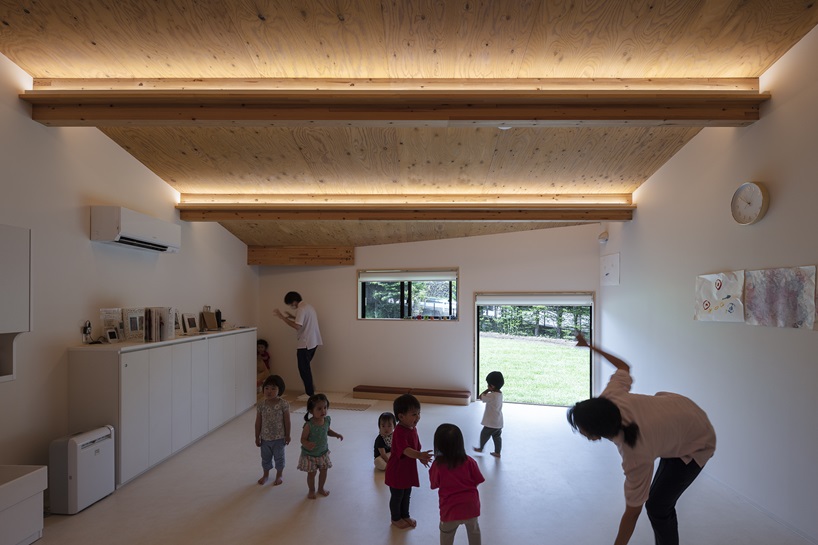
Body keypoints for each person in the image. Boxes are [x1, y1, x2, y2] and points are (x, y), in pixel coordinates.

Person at [567, 333, 716, 545]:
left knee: (657, 506)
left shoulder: (636, 454)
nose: (578, 431)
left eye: (580, 428)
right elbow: (623, 366)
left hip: (697, 441)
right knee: (657, 499)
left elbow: (632, 512)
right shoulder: (610, 397)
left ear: (596, 433)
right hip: (679, 413)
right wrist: (590, 346)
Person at [430, 423, 485, 545]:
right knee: (474, 531)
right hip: (471, 507)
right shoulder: (469, 461)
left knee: (446, 534)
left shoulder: (437, 465)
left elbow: (434, 484)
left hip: (449, 509)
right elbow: (477, 480)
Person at [384, 394, 433, 529]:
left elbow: (416, 447)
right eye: (414, 414)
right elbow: (406, 450)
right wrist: (419, 455)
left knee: (407, 495)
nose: (418, 417)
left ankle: (405, 515)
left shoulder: (413, 429)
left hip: (407, 471)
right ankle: (395, 518)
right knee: (397, 496)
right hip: (397, 471)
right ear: (401, 417)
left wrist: (421, 457)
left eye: (419, 413)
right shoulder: (399, 432)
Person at [273, 292, 322, 396]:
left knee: (304, 369)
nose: (291, 306)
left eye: (290, 304)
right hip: (314, 341)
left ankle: (310, 394)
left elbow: (297, 326)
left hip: (305, 343)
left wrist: (282, 317)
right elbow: (303, 321)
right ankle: (311, 389)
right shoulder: (309, 307)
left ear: (294, 301)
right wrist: (291, 316)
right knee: (305, 368)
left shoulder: (301, 309)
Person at [297, 393, 343, 499]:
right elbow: (302, 439)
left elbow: (328, 431)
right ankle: (311, 490)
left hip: (323, 453)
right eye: (319, 408)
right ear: (311, 411)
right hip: (310, 455)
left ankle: (321, 488)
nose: (323, 411)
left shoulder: (326, 420)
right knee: (311, 474)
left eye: (325, 408)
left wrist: (336, 434)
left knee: (324, 471)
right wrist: (307, 443)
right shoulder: (309, 425)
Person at [254, 374, 291, 485]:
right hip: (265, 439)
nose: (269, 391)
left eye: (273, 388)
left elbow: (287, 421)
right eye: (267, 388)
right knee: (265, 458)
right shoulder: (261, 405)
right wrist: (257, 436)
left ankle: (279, 475)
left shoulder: (283, 404)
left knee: (279, 457)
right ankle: (265, 475)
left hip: (279, 438)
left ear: (279, 390)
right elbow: (258, 422)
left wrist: (288, 435)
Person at [473, 371, 504, 457]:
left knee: (484, 434)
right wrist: (490, 389)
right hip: (498, 422)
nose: (487, 386)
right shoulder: (499, 394)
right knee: (497, 438)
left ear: (492, 386)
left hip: (491, 423)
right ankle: (497, 452)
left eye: (488, 384)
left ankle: (481, 448)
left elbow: (480, 396)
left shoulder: (491, 396)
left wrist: (487, 390)